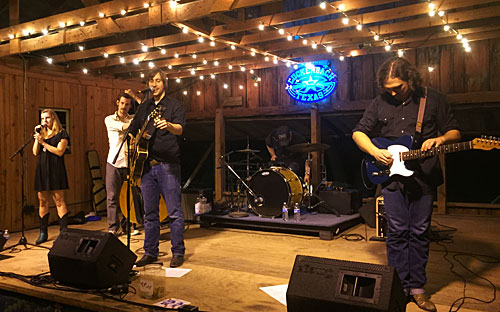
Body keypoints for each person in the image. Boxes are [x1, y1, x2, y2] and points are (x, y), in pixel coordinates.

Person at [352, 57, 460, 312]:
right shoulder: (379, 103)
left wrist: (440, 139)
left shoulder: (432, 99)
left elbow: (455, 131)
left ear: (410, 79)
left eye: (397, 87)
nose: (392, 92)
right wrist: (375, 152)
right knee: (397, 231)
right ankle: (398, 287)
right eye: (387, 88)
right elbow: (359, 132)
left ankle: (418, 289)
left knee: (420, 231)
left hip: (424, 175)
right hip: (391, 176)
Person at [128, 68, 186, 268]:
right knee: (149, 214)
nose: (154, 84)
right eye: (151, 81)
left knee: (174, 212)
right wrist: (131, 147)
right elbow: (132, 130)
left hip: (167, 165)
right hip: (145, 166)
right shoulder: (144, 107)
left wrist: (168, 125)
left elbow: (179, 129)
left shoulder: (173, 105)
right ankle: (150, 252)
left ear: (164, 84)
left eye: (158, 81)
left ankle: (177, 252)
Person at [32, 109, 70, 245]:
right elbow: (35, 152)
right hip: (42, 170)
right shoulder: (41, 134)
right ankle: (43, 232)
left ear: (53, 118)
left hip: (56, 170)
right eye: (42, 119)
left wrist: (44, 143)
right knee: (42, 201)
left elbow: (59, 152)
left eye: (47, 118)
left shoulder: (61, 134)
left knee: (59, 201)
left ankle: (64, 232)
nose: (44, 121)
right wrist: (38, 139)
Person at [104, 92, 140, 236]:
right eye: (122, 103)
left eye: (127, 104)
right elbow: (125, 127)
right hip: (114, 162)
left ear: (130, 106)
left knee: (129, 195)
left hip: (129, 162)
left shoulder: (132, 118)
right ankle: (113, 227)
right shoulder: (109, 119)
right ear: (117, 102)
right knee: (112, 197)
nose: (124, 107)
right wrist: (137, 121)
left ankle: (129, 224)